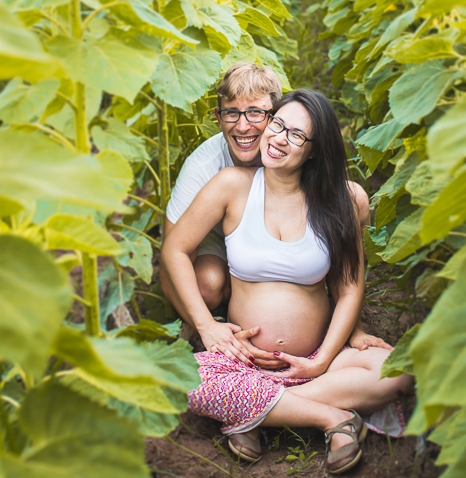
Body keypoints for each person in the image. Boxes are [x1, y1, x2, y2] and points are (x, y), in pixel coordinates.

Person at [163, 89, 412, 474]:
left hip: (319, 360)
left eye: (296, 135)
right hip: (244, 362)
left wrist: (322, 360)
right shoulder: (232, 185)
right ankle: (331, 417)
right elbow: (175, 249)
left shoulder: (339, 200)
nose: (279, 138)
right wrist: (207, 326)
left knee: (398, 371)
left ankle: (252, 412)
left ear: (314, 151)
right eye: (277, 124)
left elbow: (349, 288)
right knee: (186, 380)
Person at [159, 63, 387, 353]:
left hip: (309, 335)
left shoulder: (284, 148)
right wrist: (205, 327)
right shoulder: (208, 170)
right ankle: (222, 319)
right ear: (218, 117)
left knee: (354, 202)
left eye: (255, 113)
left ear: (274, 115)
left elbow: (346, 272)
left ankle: (336, 317)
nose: (243, 126)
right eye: (232, 113)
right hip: (214, 240)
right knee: (209, 284)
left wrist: (353, 329)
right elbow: (173, 252)